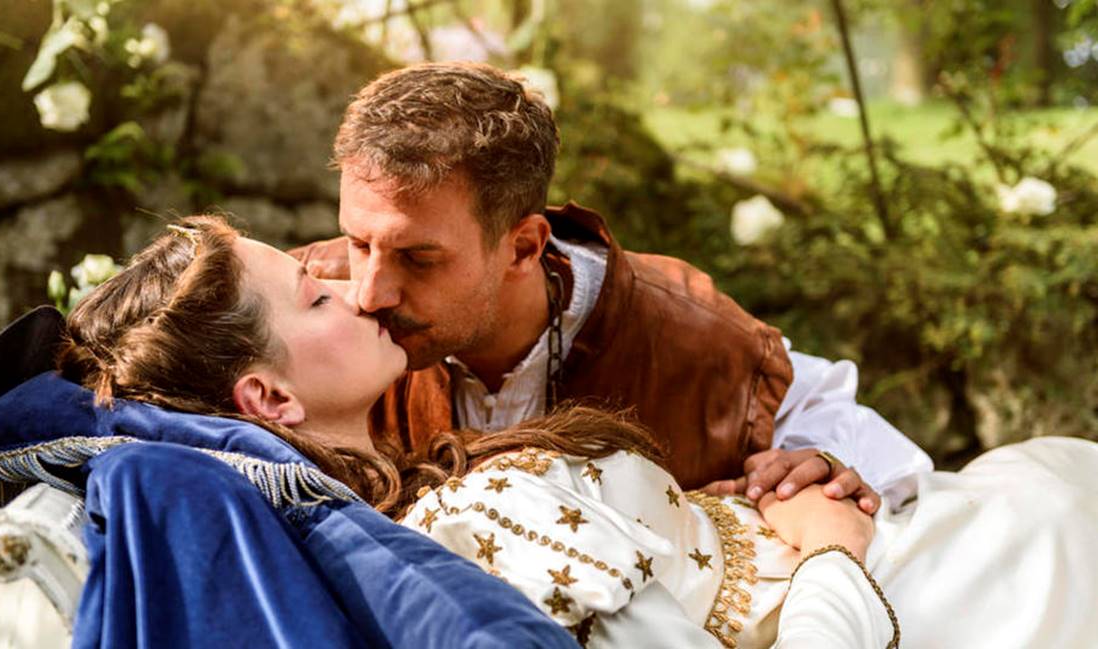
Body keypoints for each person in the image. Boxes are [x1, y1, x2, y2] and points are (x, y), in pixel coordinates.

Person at [60, 216, 1098, 648]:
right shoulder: (465, 536)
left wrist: (740, 505)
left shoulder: (436, 484)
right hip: (953, 600)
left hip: (966, 530)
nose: (358, 287)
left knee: (1049, 478)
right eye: (315, 296)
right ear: (270, 400)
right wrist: (834, 552)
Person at [289, 62, 932, 515]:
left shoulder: (691, 334)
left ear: (524, 247)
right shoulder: (293, 303)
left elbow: (883, 458)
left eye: (419, 258)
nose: (369, 292)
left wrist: (822, 463)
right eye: (360, 242)